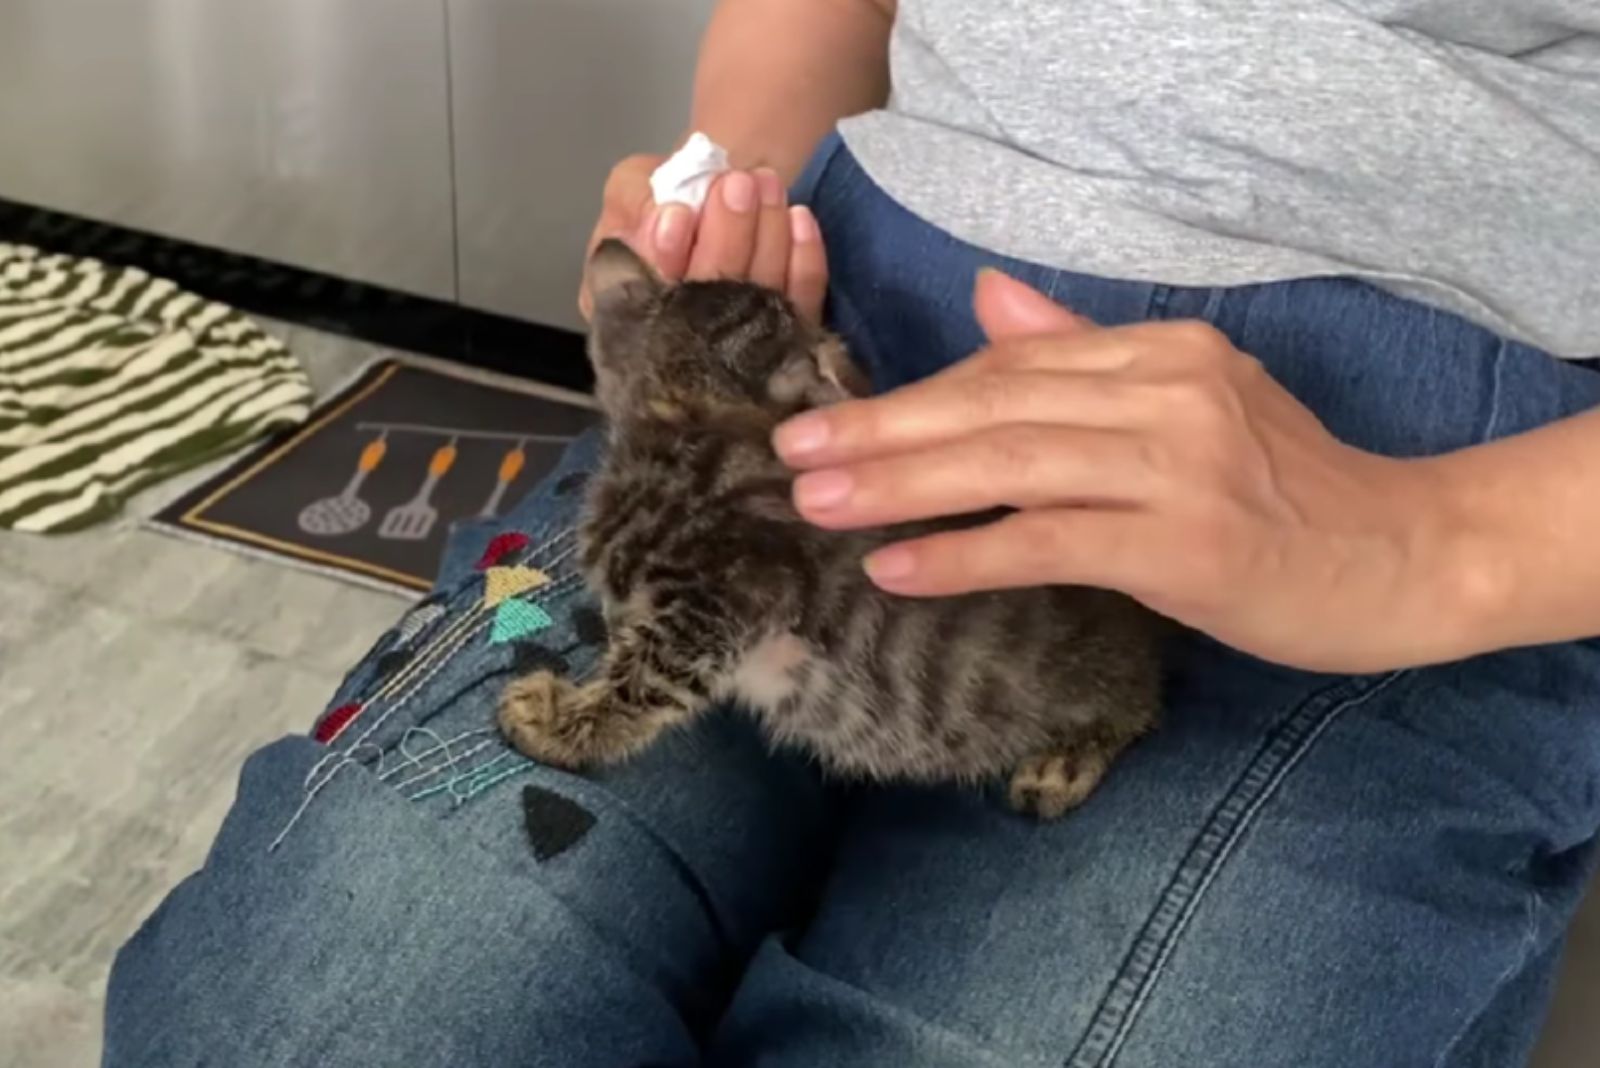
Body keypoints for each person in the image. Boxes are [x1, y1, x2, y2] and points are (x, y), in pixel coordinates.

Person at [106, 2, 1600, 1065]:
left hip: (1408, 477)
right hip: (820, 349)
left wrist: (1439, 541)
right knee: (283, 1022)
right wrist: (723, 206)